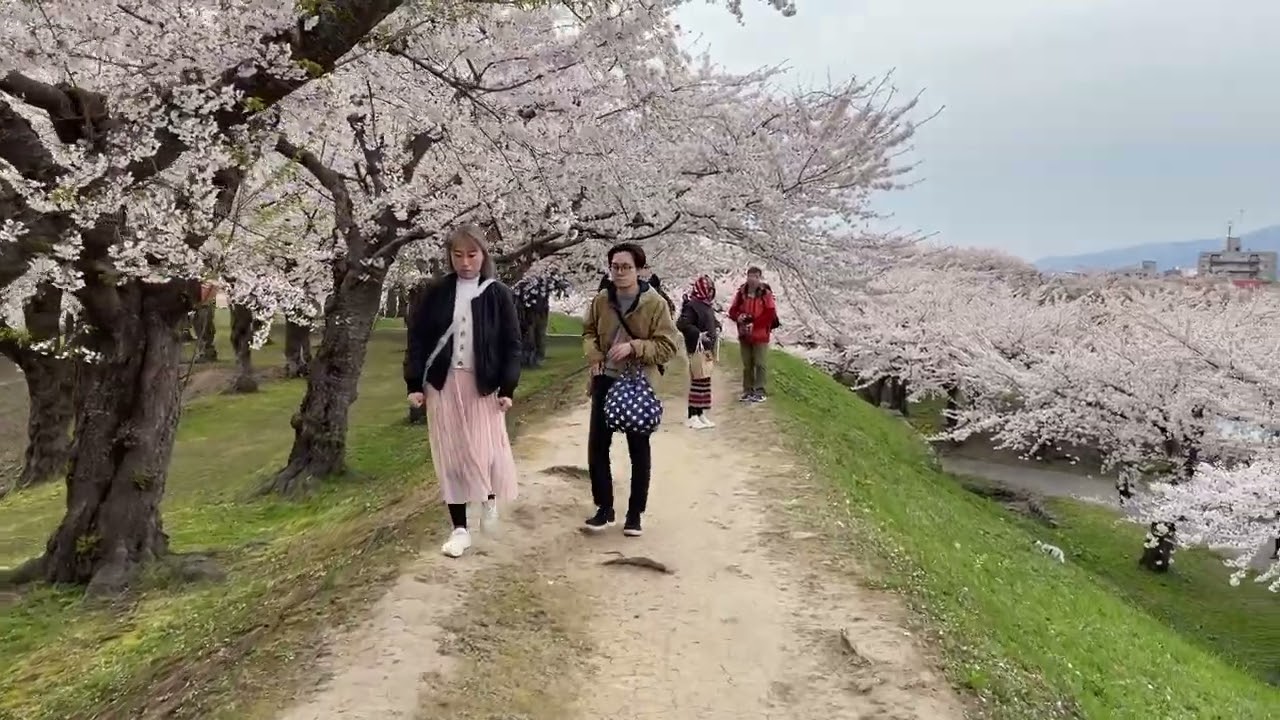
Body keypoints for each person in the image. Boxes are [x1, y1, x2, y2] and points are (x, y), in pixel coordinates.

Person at [405, 224, 522, 558]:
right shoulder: (437, 292)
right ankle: (459, 529)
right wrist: (414, 383)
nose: (465, 262)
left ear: (483, 255)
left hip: (482, 384)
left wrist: (508, 386)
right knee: (451, 455)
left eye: (472, 255)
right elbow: (418, 339)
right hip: (443, 383)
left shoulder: (497, 293)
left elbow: (512, 344)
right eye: (458, 255)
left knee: (485, 449)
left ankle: (488, 499)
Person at [582, 242, 679, 536]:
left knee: (638, 448)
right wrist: (595, 354)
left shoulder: (655, 304)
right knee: (597, 447)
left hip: (638, 384)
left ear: (640, 270)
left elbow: (668, 346)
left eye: (626, 267)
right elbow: (588, 332)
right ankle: (604, 508)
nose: (620, 272)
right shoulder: (602, 300)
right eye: (615, 267)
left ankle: (635, 513)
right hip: (605, 380)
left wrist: (634, 347)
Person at [727, 266, 778, 402]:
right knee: (747, 364)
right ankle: (747, 390)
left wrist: (755, 324)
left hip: (760, 335)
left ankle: (760, 390)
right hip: (745, 334)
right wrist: (739, 317)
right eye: (750, 276)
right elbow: (732, 311)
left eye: (755, 276)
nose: (752, 279)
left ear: (759, 278)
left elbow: (770, 313)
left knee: (760, 363)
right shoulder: (741, 293)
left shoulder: (765, 293)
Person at [676, 275, 720, 429]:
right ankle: (692, 415)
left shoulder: (706, 305)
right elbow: (682, 324)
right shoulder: (692, 305)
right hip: (696, 347)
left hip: (707, 348)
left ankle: (701, 413)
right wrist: (698, 334)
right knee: (697, 380)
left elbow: (711, 320)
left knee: (704, 380)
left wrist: (717, 326)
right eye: (709, 289)